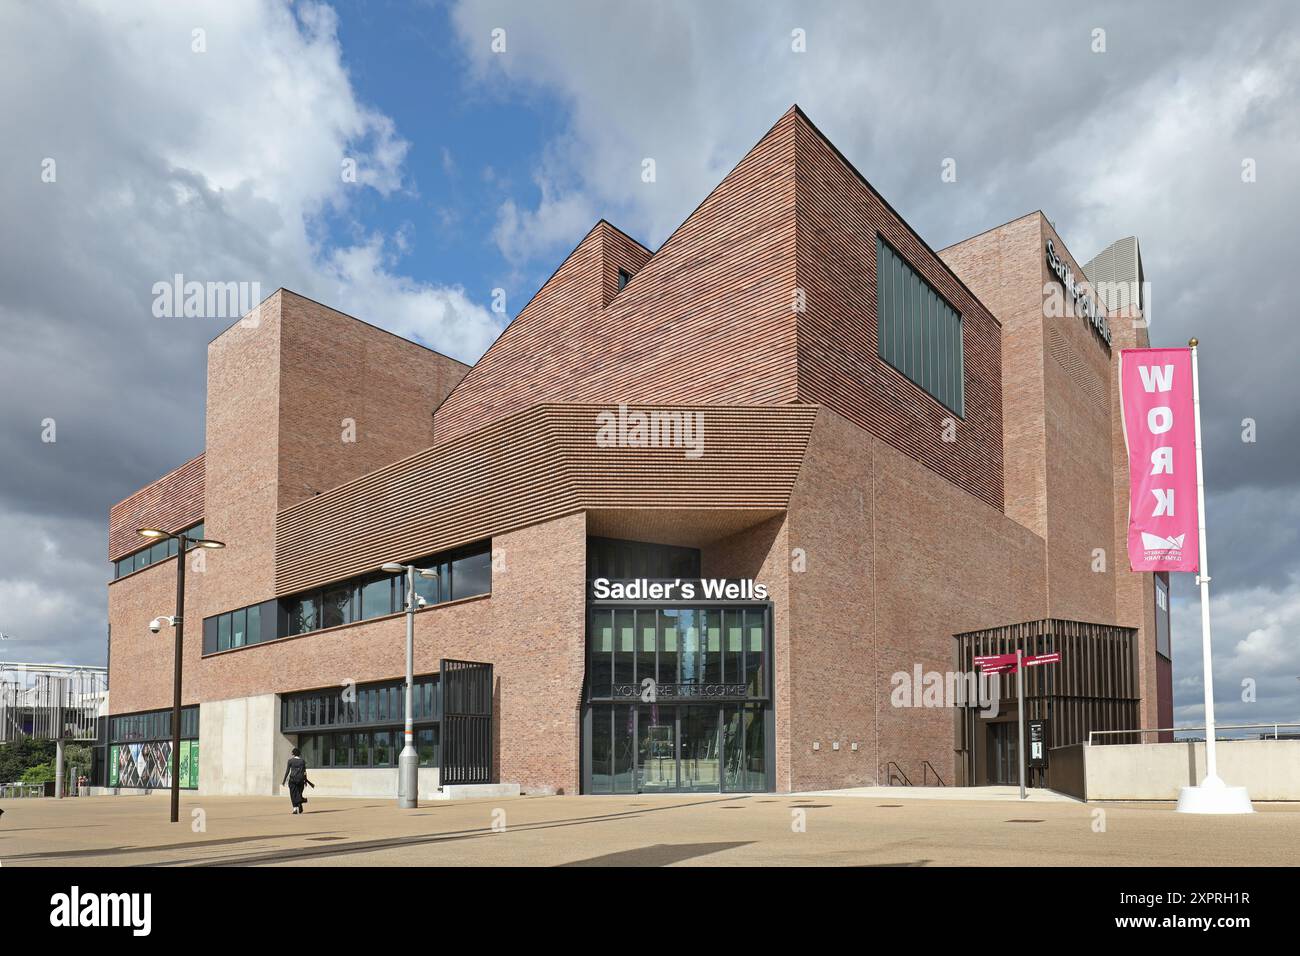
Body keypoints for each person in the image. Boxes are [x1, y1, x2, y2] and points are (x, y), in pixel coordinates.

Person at [282, 747, 311, 814]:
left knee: (293, 795)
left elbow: (287, 771)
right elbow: (304, 771)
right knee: (298, 794)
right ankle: (300, 803)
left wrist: (284, 781)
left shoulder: (290, 761)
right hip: (301, 780)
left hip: (292, 780)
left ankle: (295, 808)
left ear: (293, 753)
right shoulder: (302, 761)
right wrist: (305, 780)